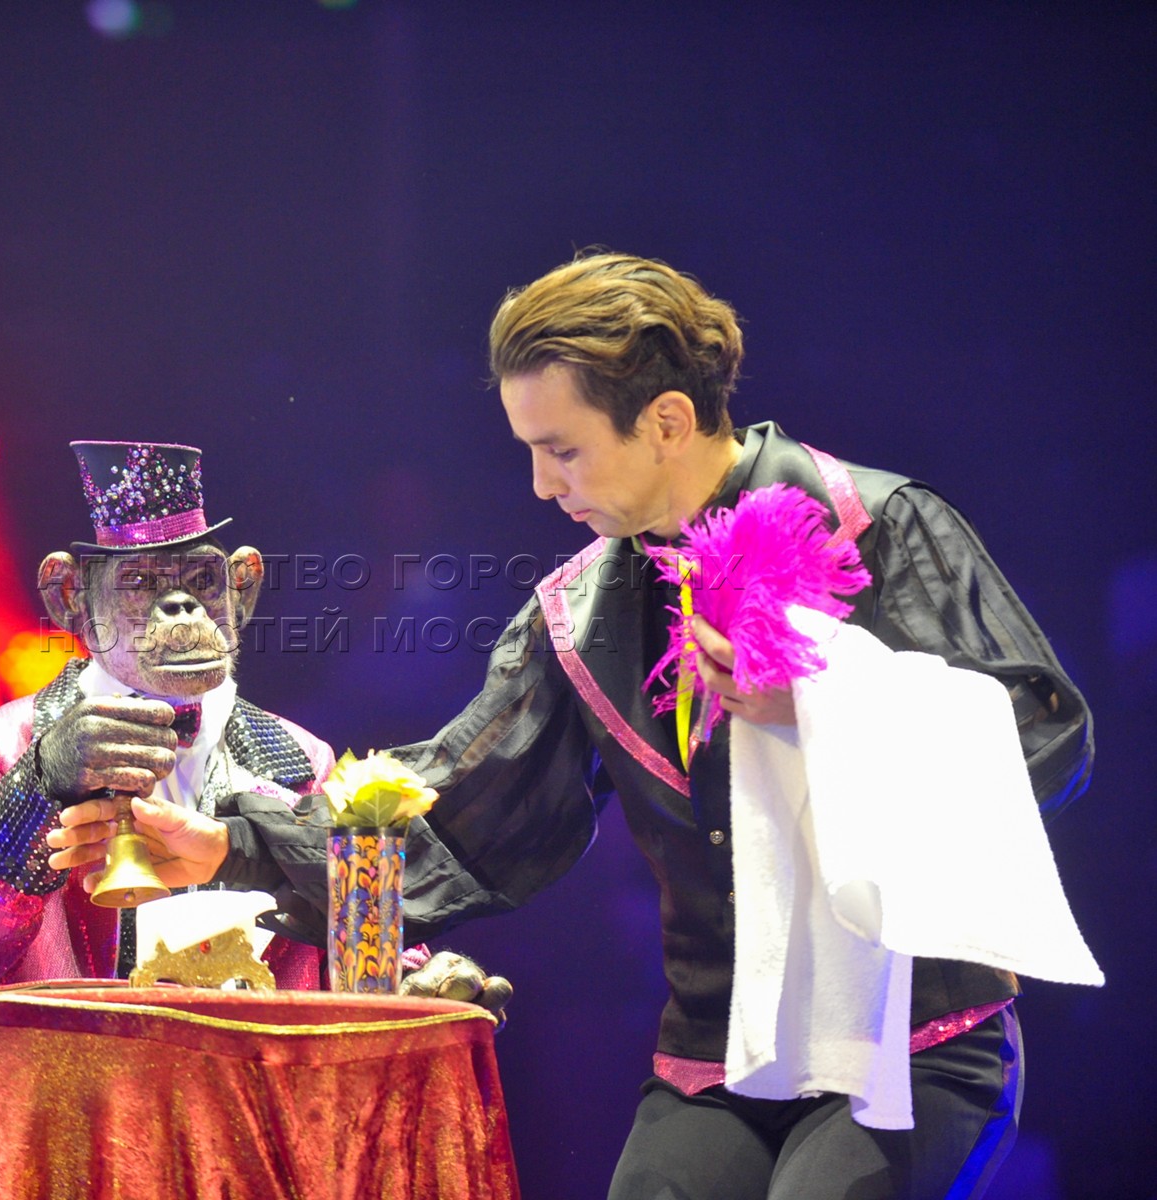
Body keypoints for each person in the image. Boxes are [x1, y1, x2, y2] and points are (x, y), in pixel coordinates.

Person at [57, 254, 1092, 1197]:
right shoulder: (581, 610)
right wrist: (230, 846)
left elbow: (1045, 738)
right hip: (720, 1055)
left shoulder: (874, 523)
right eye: (531, 452)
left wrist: (820, 705)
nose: (542, 485)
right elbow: (459, 808)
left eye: (563, 451)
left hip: (908, 1041)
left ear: (668, 421)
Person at [0, 440, 508, 1008]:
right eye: (141, 582)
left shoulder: (301, 758)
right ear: (71, 599)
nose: (182, 609)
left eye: (202, 581)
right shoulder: (4, 747)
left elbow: (354, 956)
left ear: (242, 589)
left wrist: (406, 981)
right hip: (78, 1080)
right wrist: (35, 787)